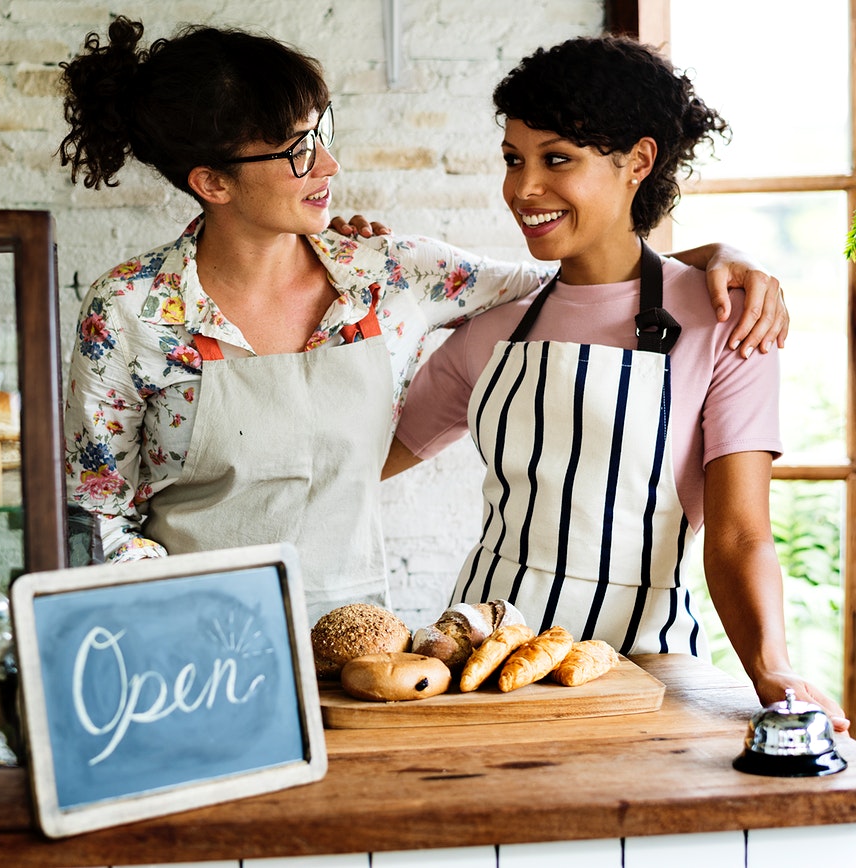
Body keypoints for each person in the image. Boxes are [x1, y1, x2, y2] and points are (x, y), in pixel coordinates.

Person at [57, 18, 789, 624]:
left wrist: (723, 255)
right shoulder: (128, 311)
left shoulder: (392, 275)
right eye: (298, 150)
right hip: (180, 638)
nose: (329, 164)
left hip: (353, 642)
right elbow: (98, 518)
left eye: (322, 131)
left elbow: (583, 277)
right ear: (211, 182)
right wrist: (164, 628)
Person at [384, 35, 847, 729]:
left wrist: (771, 668)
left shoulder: (725, 320)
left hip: (642, 673)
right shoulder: (493, 328)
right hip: (478, 665)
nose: (523, 188)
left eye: (556, 160)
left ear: (638, 161)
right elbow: (352, 465)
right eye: (514, 160)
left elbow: (739, 537)